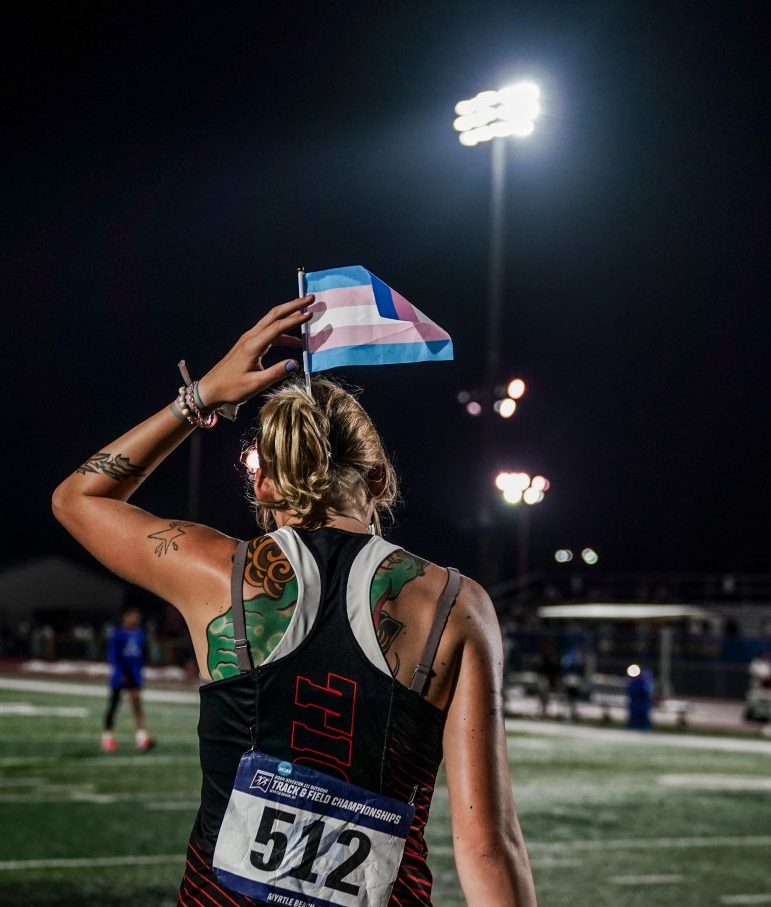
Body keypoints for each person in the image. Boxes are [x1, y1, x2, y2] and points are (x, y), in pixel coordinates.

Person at [52, 295, 536, 906]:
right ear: (380, 479)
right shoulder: (454, 605)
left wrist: (201, 396)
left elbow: (78, 499)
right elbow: (489, 845)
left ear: (259, 482)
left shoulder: (218, 574)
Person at [101, 605, 155, 753]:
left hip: (134, 675)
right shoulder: (118, 635)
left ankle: (141, 737)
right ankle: (107, 737)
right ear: (126, 616)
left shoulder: (139, 635)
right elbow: (113, 656)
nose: (135, 619)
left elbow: (142, 656)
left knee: (137, 706)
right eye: (133, 615)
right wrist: (121, 673)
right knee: (113, 705)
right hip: (120, 676)